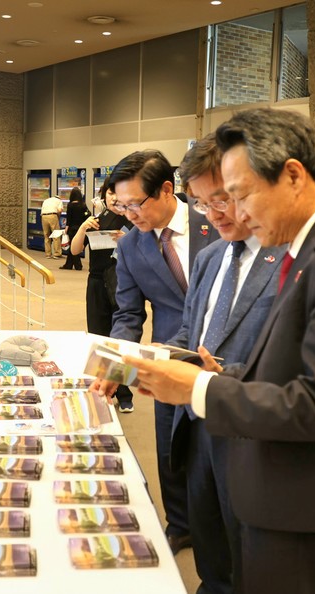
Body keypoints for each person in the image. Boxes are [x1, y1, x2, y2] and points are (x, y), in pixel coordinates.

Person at [124, 108, 315, 594]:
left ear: (293, 176)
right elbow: (282, 361)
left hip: (298, 477)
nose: (235, 213)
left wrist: (201, 387)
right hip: (268, 457)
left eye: (238, 195)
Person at [167, 135, 286, 594]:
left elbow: (296, 365)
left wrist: (225, 378)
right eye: (200, 203)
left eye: (221, 199)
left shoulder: (294, 260)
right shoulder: (210, 256)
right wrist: (148, 359)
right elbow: (191, 332)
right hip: (198, 426)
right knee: (212, 549)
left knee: (255, 561)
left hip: (254, 434)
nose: (212, 214)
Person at [97, 149, 220, 554]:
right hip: (168, 356)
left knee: (220, 446)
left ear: (167, 189)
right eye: (121, 206)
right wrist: (116, 369)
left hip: (223, 354)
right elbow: (128, 314)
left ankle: (222, 527)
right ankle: (180, 524)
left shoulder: (215, 223)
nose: (129, 214)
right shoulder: (132, 245)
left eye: (136, 204)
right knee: (171, 445)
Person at [70, 176, 134, 411]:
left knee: (122, 341)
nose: (115, 198)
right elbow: (75, 250)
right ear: (104, 195)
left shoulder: (134, 220)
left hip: (124, 284)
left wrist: (129, 241)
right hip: (97, 283)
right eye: (110, 193)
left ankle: (125, 394)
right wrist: (82, 228)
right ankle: (102, 389)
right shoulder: (96, 221)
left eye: (119, 193)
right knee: (99, 338)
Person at [60, 187, 90, 270]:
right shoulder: (83, 205)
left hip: (72, 228)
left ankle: (78, 265)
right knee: (73, 246)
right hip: (80, 228)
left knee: (73, 246)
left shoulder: (70, 205)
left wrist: (66, 228)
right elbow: (87, 214)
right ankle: (68, 264)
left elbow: (69, 218)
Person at [41, 194, 64, 259]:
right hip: (52, 216)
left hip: (43, 216)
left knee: (46, 235)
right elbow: (59, 210)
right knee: (56, 235)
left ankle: (48, 254)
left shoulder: (46, 200)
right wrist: (58, 217)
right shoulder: (59, 201)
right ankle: (57, 254)